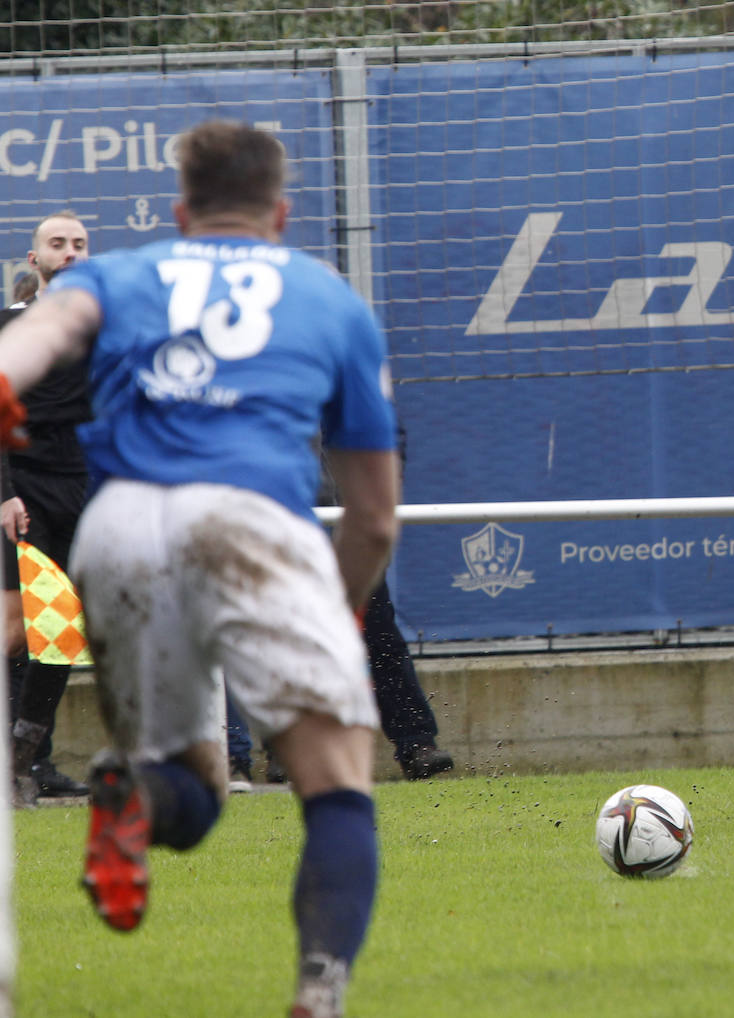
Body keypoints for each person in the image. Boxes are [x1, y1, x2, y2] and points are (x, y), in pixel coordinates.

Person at [0, 120, 399, 1018]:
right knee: (335, 777)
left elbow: (46, 326)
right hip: (253, 518)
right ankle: (319, 990)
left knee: (196, 788)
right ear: (282, 214)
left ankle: (132, 794)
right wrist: (337, 609)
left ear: (182, 213)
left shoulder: (128, 271)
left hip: (121, 527)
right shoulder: (330, 299)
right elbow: (373, 519)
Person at [2, 211, 93, 806]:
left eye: (80, 244)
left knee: (59, 634)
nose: (70, 252)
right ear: (34, 260)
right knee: (13, 627)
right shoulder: (13, 326)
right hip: (22, 488)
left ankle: (22, 761)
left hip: (78, 488)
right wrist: (5, 491)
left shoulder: (104, 329)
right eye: (57, 244)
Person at [227, 575, 454, 791]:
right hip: (290, 542)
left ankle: (416, 745)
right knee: (285, 637)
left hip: (348, 542)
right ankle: (287, 748)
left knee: (380, 634)